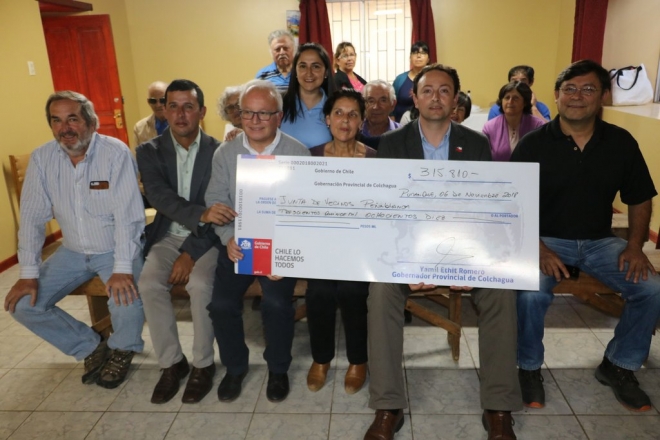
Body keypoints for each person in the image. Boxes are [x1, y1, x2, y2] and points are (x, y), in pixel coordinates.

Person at [364, 64, 521, 440]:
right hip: (408, 250)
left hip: (464, 248)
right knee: (380, 292)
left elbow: (483, 211)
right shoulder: (392, 144)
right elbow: (387, 213)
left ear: (455, 100)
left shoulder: (476, 143)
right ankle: (388, 405)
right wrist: (411, 264)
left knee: (501, 292)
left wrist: (466, 265)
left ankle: (498, 406)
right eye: (428, 90)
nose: (436, 97)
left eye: (444, 90)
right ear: (415, 99)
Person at [511, 59, 660, 412]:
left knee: (651, 289)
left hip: (600, 241)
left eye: (588, 89)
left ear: (603, 96)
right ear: (556, 95)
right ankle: (527, 367)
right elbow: (513, 203)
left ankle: (619, 365)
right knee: (530, 293)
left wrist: (635, 247)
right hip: (545, 240)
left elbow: (640, 198)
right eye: (570, 89)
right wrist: (538, 248)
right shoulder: (533, 144)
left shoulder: (620, 142)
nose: (577, 96)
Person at [4, 91, 145, 390]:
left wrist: (122, 267)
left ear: (91, 123)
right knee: (23, 305)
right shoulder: (42, 158)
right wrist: (28, 273)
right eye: (56, 121)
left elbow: (128, 217)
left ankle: (123, 348)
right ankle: (90, 345)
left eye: (73, 119)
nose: (65, 128)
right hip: (72, 251)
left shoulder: (115, 153)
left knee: (125, 297)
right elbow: (31, 219)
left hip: (114, 247)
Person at [205, 79, 310, 403]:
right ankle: (235, 367)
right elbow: (215, 199)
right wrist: (227, 238)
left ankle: (278, 369)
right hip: (238, 243)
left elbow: (306, 209)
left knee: (277, 304)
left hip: (280, 246)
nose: (254, 120)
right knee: (221, 305)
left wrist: (287, 252)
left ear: (278, 116)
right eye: (248, 112)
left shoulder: (297, 152)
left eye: (264, 113)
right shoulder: (226, 153)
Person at [136, 79, 231, 404]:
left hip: (207, 240)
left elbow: (221, 211)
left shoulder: (219, 152)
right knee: (149, 283)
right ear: (164, 110)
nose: (180, 114)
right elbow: (159, 197)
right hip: (167, 234)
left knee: (200, 284)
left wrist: (189, 253)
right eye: (172, 106)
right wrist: (201, 213)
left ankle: (203, 364)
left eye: (188, 107)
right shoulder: (148, 151)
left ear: (201, 112)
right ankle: (172, 363)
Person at [305, 90, 375, 394]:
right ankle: (321, 359)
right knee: (318, 292)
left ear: (361, 121)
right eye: (338, 113)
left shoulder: (375, 159)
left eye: (352, 114)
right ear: (327, 119)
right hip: (320, 248)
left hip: (360, 249)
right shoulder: (310, 157)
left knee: (352, 291)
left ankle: (358, 360)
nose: (345, 120)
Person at [280, 42, 335, 149]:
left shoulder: (336, 108)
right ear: (295, 71)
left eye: (316, 66)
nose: (309, 73)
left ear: (326, 72)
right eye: (303, 66)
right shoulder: (280, 103)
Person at [482, 81, 545, 161]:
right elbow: (484, 158)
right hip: (498, 169)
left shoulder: (538, 126)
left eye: (516, 98)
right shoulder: (489, 127)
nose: (510, 102)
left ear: (525, 102)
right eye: (507, 97)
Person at [392, 41, 430, 122]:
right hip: (401, 125)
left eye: (423, 53)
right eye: (415, 53)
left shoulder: (433, 80)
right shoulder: (400, 79)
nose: (418, 56)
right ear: (410, 58)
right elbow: (391, 106)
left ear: (428, 59)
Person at [360, 80, 400, 150]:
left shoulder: (403, 133)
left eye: (383, 101)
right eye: (371, 101)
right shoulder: (354, 133)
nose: (376, 107)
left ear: (393, 104)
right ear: (363, 104)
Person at [134, 81, 169, 145]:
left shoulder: (183, 124)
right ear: (148, 102)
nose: (158, 105)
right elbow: (137, 150)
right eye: (153, 101)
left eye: (162, 100)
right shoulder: (140, 128)